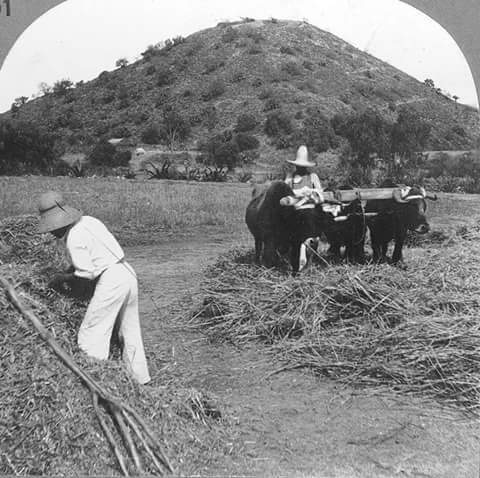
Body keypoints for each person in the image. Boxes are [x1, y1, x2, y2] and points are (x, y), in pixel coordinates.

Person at [38, 191, 151, 385]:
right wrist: (71, 271)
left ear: (59, 222)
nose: (51, 232)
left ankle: (97, 380)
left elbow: (86, 273)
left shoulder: (73, 237)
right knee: (130, 330)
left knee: (92, 333)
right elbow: (94, 255)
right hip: (127, 272)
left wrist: (61, 279)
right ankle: (140, 380)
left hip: (112, 280)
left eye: (52, 228)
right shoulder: (89, 221)